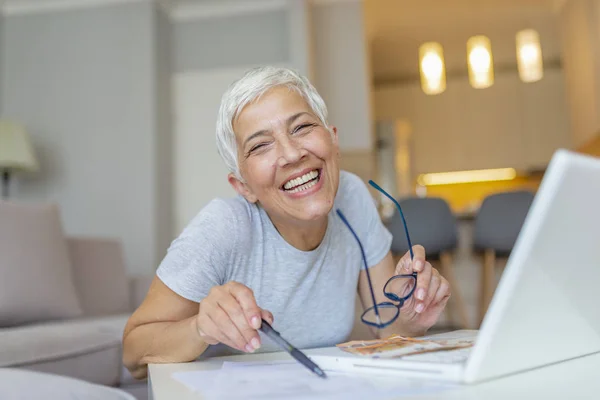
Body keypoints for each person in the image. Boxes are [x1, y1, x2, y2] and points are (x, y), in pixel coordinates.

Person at [122, 66, 451, 380]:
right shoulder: (221, 228)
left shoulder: (352, 196)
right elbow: (133, 353)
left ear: (333, 141)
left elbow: (386, 326)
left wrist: (411, 318)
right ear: (244, 186)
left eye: (302, 127)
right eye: (261, 145)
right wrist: (199, 328)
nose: (292, 154)